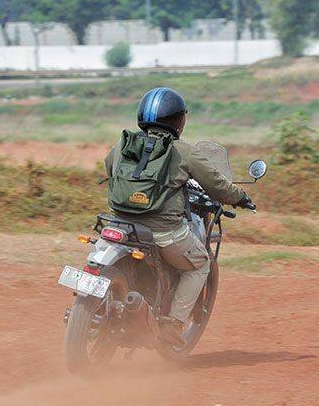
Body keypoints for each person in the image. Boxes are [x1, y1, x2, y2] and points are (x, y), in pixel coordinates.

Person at [104, 87, 253, 346]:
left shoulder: (123, 144)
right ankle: (172, 325)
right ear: (178, 120)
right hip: (162, 232)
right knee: (199, 264)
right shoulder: (183, 151)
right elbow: (216, 183)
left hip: (120, 224)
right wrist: (239, 196)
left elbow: (109, 168)